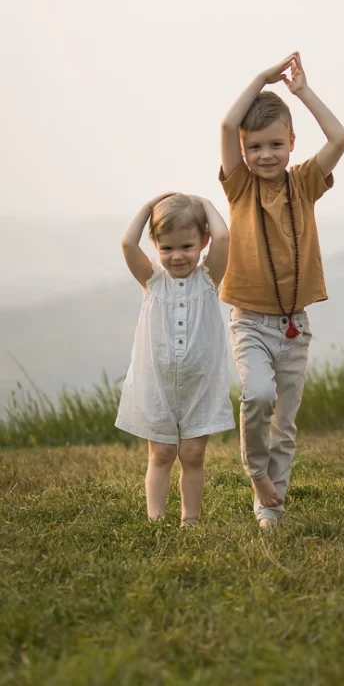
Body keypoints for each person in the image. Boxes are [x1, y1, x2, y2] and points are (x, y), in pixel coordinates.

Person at [220, 52, 344, 529]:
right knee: (256, 396)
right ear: (243, 149)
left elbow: (340, 137)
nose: (265, 155)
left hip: (295, 324)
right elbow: (227, 122)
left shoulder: (306, 183)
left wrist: (301, 91)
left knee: (285, 424)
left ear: (292, 143)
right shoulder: (238, 187)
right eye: (254, 147)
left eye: (275, 144)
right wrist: (260, 78)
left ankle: (271, 508)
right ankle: (257, 477)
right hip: (249, 320)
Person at [116, 193, 235, 525]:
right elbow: (127, 244)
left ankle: (189, 521)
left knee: (193, 454)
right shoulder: (153, 281)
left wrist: (205, 202)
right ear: (155, 246)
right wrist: (147, 206)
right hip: (158, 385)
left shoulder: (208, 279)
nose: (177, 256)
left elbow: (224, 236)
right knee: (162, 453)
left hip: (200, 385)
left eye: (187, 246)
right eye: (166, 248)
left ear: (203, 242)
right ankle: (155, 520)